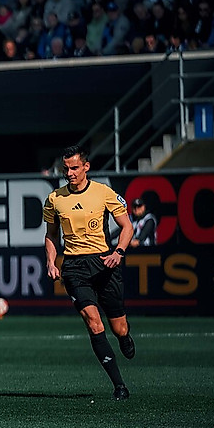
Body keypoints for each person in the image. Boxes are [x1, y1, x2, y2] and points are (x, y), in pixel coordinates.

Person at [43, 145, 136, 401]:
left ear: (86, 167)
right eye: (66, 169)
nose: (70, 173)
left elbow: (127, 226)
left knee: (119, 328)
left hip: (104, 262)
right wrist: (51, 262)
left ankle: (125, 336)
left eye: (74, 168)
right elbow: (51, 235)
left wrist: (119, 252)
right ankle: (119, 385)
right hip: (74, 266)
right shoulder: (55, 199)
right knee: (93, 323)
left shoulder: (104, 193)